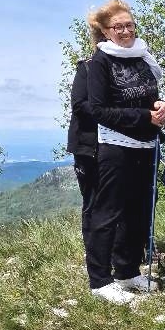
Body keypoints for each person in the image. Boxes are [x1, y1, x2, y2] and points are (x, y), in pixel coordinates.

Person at [86, 0, 165, 304]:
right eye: (117, 27)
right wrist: (143, 117)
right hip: (115, 145)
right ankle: (100, 279)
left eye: (129, 25)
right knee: (108, 211)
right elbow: (98, 109)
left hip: (146, 144)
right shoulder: (100, 62)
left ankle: (128, 270)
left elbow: (147, 95)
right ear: (106, 31)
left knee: (137, 210)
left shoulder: (141, 58)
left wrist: (157, 106)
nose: (124, 31)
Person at [67, 57, 99, 270]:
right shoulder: (87, 67)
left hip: (116, 147)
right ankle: (94, 254)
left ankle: (121, 250)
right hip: (87, 147)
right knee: (92, 201)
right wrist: (112, 112)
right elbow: (79, 104)